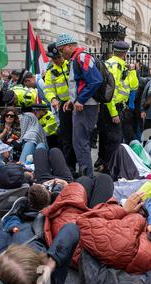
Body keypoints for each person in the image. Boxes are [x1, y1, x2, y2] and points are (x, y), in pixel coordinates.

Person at [55, 33, 103, 177]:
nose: (61, 54)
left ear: (69, 46)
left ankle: (87, 178)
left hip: (86, 106)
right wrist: (73, 99)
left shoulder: (81, 57)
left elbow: (95, 81)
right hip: (83, 105)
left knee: (80, 143)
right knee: (80, 142)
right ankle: (86, 176)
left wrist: (80, 100)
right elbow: (82, 83)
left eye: (62, 50)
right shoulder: (77, 58)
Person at [97, 41, 139, 173]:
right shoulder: (116, 66)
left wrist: (132, 71)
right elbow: (111, 92)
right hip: (113, 107)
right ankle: (111, 169)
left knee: (106, 137)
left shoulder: (113, 64)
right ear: (125, 54)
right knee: (114, 140)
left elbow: (134, 86)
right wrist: (114, 113)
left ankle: (104, 165)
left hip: (111, 107)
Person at [43, 42, 76, 175]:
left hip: (76, 103)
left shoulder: (72, 64)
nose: (57, 60)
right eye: (54, 58)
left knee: (78, 137)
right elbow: (48, 90)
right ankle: (70, 167)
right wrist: (53, 99)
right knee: (66, 138)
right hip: (63, 107)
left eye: (58, 57)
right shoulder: (51, 72)